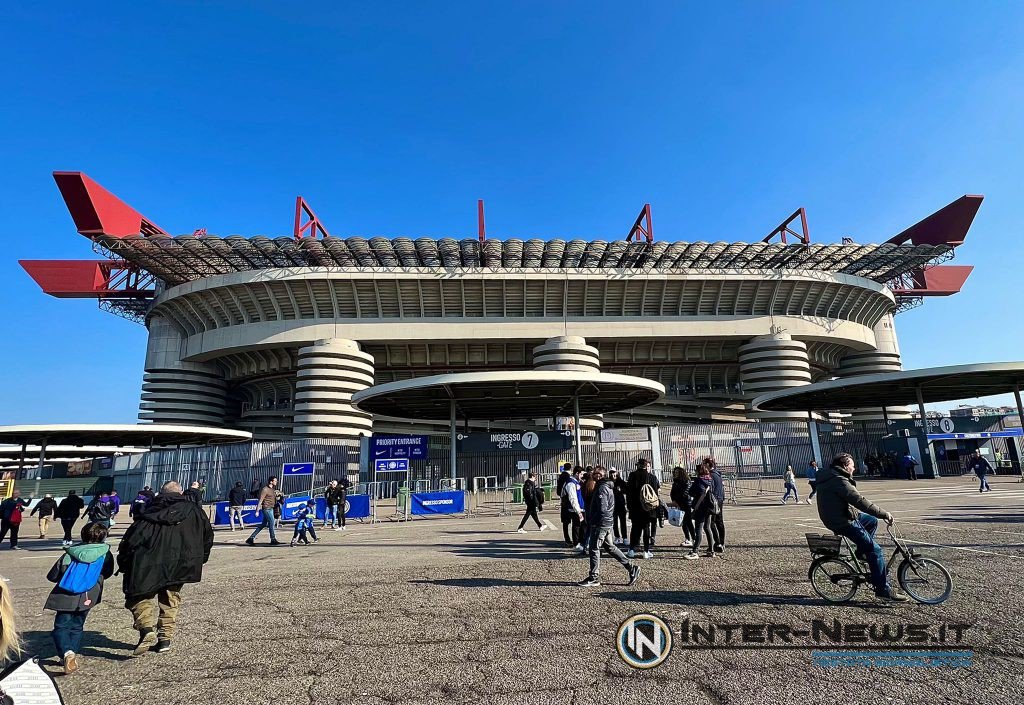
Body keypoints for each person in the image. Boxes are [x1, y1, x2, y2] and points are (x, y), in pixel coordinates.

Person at [118, 480, 214, 655]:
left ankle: (146, 629)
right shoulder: (195, 511)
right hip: (181, 562)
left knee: (138, 596)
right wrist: (201, 559)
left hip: (148, 563)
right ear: (180, 493)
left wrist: (123, 562)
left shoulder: (151, 511)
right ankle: (164, 639)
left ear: (160, 494)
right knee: (170, 600)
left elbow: (132, 540)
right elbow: (207, 536)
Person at [815, 452, 906, 601]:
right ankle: (883, 590)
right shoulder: (839, 480)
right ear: (845, 466)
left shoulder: (830, 475)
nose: (854, 468)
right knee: (875, 550)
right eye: (852, 465)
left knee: (871, 521)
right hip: (841, 521)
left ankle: (861, 553)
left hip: (840, 515)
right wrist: (884, 514)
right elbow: (860, 501)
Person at [44, 522, 115, 675]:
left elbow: (54, 574)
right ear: (103, 536)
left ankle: (67, 653)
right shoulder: (105, 553)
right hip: (90, 593)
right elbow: (108, 571)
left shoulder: (71, 552)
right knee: (77, 625)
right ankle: (71, 654)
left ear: (83, 534)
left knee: (61, 626)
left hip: (66, 593)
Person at [579, 467, 641, 587]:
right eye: (594, 473)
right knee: (610, 547)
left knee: (594, 548)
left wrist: (594, 521)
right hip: (606, 522)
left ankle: (594, 577)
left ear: (602, 475)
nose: (595, 475)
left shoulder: (602, 487)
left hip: (601, 523)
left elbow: (602, 509)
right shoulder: (604, 486)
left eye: (598, 473)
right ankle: (631, 567)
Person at [684, 463, 721, 560]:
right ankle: (711, 550)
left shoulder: (699, 481)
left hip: (700, 507)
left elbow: (691, 492)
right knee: (707, 527)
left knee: (698, 529)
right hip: (709, 507)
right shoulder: (710, 479)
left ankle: (695, 551)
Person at [626, 457, 659, 560]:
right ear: (646, 466)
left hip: (635, 507)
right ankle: (646, 551)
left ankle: (631, 549)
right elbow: (655, 493)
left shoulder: (632, 476)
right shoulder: (652, 477)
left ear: (638, 465)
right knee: (646, 528)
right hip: (648, 507)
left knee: (635, 528)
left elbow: (629, 493)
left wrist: (629, 506)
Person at [245, 477, 281, 546]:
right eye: (275, 481)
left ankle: (251, 538)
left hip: (271, 508)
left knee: (263, 524)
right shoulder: (265, 489)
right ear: (271, 481)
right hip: (266, 508)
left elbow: (273, 499)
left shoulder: (272, 490)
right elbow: (261, 500)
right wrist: (257, 511)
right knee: (271, 522)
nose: (276, 482)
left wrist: (278, 496)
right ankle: (273, 539)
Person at [559, 467, 585, 551]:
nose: (582, 476)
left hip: (580, 508)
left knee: (580, 526)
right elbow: (573, 498)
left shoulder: (576, 482)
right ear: (577, 473)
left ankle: (580, 542)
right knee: (576, 526)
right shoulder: (570, 483)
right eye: (581, 474)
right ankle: (576, 543)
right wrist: (578, 510)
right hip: (574, 509)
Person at [669, 466, 694, 547]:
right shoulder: (675, 482)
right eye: (674, 472)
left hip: (686, 503)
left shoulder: (686, 481)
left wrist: (678, 500)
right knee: (683, 522)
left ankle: (694, 538)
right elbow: (672, 492)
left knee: (688, 521)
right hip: (679, 503)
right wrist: (674, 501)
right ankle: (687, 538)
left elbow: (685, 492)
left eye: (677, 472)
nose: (675, 474)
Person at [708, 459, 726, 553]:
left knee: (712, 523)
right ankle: (722, 542)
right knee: (720, 521)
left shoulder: (711, 475)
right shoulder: (718, 474)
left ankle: (718, 542)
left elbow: (711, 489)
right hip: (720, 499)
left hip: (714, 500)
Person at [609, 467, 628, 545]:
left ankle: (625, 537)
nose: (613, 474)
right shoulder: (609, 482)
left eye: (614, 472)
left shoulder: (621, 481)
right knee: (614, 522)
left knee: (623, 521)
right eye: (611, 472)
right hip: (612, 504)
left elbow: (627, 490)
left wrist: (621, 490)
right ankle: (617, 537)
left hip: (621, 504)